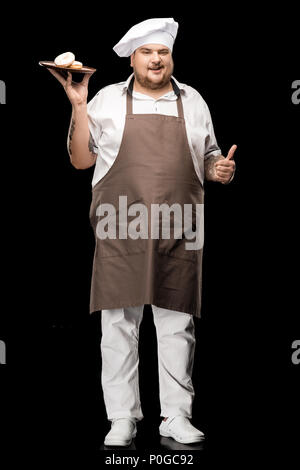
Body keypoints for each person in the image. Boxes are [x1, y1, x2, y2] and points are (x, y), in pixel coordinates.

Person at [47, 17, 236, 447]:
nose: (156, 59)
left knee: (177, 323)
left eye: (163, 52)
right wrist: (78, 104)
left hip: (181, 222)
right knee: (118, 323)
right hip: (120, 219)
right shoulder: (107, 100)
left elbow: (207, 156)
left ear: (171, 57)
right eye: (147, 52)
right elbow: (80, 161)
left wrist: (218, 169)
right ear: (133, 58)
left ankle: (176, 417)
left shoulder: (194, 100)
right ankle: (122, 419)